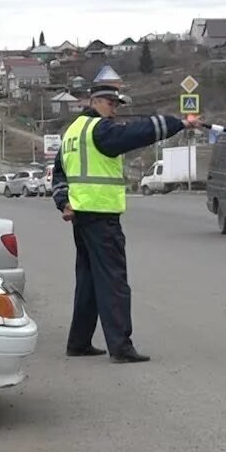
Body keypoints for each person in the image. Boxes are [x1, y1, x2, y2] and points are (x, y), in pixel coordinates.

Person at [52, 83, 201, 363]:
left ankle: (79, 342)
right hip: (101, 215)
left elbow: (58, 173)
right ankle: (120, 346)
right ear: (95, 101)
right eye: (111, 103)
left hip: (82, 216)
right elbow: (138, 133)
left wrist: (63, 202)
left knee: (88, 281)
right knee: (113, 281)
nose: (114, 109)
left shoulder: (72, 132)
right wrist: (179, 123)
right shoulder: (100, 130)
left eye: (117, 104)